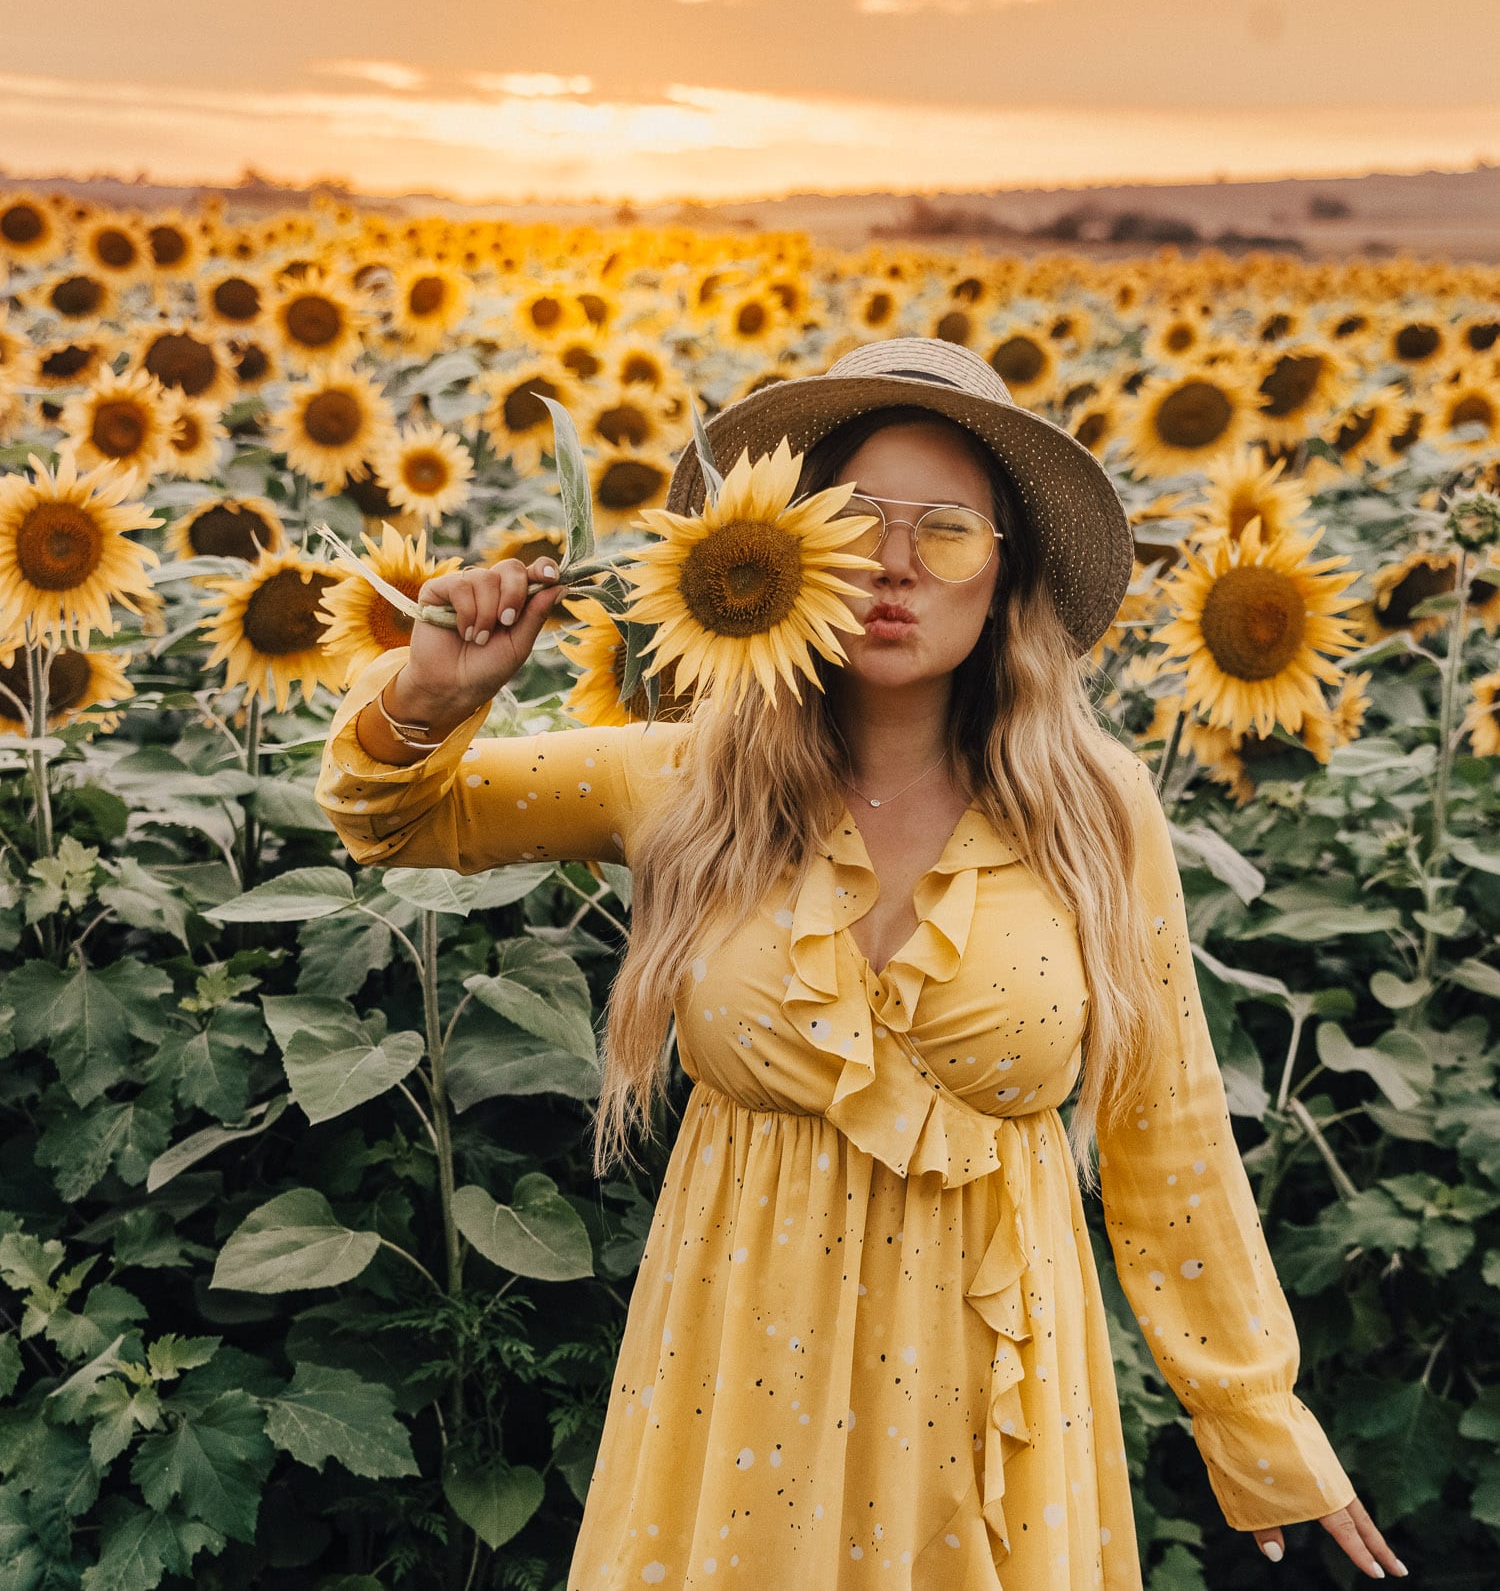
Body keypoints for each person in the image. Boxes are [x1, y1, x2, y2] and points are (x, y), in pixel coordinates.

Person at [314, 338, 1406, 1588]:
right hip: (737, 1370)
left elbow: (1167, 1122)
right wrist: (433, 689)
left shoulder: (1092, 808)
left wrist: (1251, 1411)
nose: (893, 563)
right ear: (784, 556)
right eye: (851, 519)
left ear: (1005, 576)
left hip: (992, 1371)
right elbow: (391, 816)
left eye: (946, 530)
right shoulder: (686, 779)